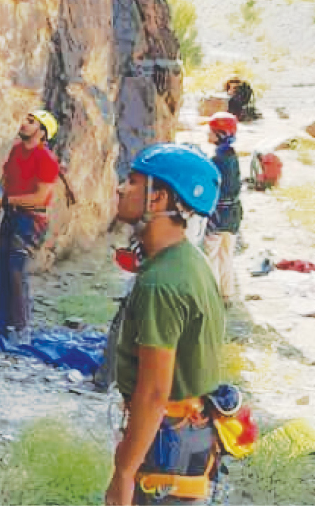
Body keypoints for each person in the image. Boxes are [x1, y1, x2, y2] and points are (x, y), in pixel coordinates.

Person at [106, 144, 225, 506]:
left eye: (132, 181)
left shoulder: (162, 284)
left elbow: (154, 393)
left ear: (157, 199)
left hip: (166, 445)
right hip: (187, 438)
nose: (121, 188)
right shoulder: (191, 261)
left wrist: (124, 475)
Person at [0, 109, 60, 345]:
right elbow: (5, 178)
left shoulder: (46, 159)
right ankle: (0, 324)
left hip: (31, 220)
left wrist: (7, 200)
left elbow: (41, 197)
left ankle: (20, 330)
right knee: (2, 268)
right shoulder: (16, 151)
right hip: (11, 215)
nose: (24, 124)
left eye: (31, 122)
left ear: (42, 132)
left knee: (16, 270)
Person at [202, 113, 242, 303]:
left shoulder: (216, 160)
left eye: (210, 131)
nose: (207, 134)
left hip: (218, 214)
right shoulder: (232, 157)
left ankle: (211, 295)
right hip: (233, 214)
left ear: (219, 134)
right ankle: (227, 293)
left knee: (210, 255)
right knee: (226, 255)